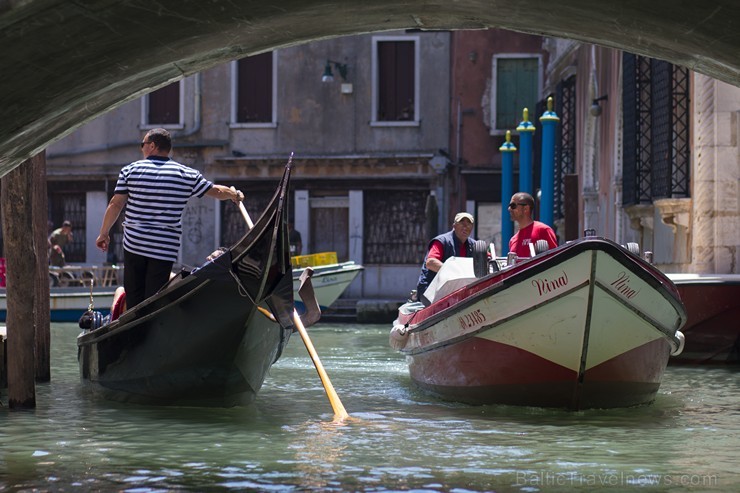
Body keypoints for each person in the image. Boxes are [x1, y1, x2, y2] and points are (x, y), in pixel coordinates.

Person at [95, 128, 245, 310]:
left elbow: (115, 204)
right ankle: (149, 328)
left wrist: (104, 233)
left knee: (134, 296)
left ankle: (134, 329)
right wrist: (234, 194)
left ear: (152, 146)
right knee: (154, 298)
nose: (141, 149)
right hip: (164, 248)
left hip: (135, 244)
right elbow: (217, 191)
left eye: (143, 145)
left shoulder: (130, 170)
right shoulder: (186, 174)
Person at [416, 212, 476, 305]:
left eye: (468, 223)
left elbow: (488, 261)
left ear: (472, 228)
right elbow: (430, 262)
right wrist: (454, 271)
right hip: (430, 291)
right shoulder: (442, 241)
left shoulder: (475, 245)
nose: (465, 226)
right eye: (461, 223)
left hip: (457, 291)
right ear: (454, 226)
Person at [507, 192, 558, 257]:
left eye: (513, 205)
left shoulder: (543, 230)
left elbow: (555, 258)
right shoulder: (513, 240)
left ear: (526, 208)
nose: (509, 209)